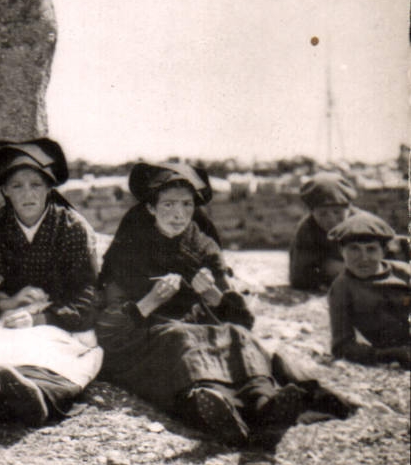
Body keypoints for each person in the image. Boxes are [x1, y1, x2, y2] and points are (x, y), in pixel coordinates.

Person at [96, 161, 327, 448]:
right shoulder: (130, 248)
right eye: (167, 205)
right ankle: (217, 411)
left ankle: (267, 405)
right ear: (151, 208)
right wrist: (151, 300)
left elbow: (243, 321)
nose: (178, 214)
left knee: (238, 336)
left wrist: (214, 296)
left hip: (201, 330)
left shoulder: (203, 247)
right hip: (148, 339)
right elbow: (107, 328)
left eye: (186, 204)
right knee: (181, 338)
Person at [0, 139, 104, 426]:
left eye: (35, 184)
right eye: (17, 186)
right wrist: (7, 302)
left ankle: (37, 394)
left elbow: (88, 297)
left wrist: (41, 318)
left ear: (49, 188)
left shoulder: (71, 228)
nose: (27, 193)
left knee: (56, 350)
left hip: (57, 318)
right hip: (13, 315)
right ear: (4, 191)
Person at [325, 211, 411, 368]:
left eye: (371, 249)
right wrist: (384, 355)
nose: (363, 258)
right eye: (354, 249)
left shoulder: (404, 273)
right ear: (341, 251)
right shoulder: (342, 288)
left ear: (383, 252)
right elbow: (341, 345)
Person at [289, 172, 360, 291]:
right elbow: (299, 275)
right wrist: (320, 282)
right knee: (332, 267)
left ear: (349, 209)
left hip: (362, 270)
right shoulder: (307, 229)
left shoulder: (362, 223)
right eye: (323, 214)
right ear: (312, 212)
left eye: (337, 212)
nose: (331, 219)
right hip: (327, 274)